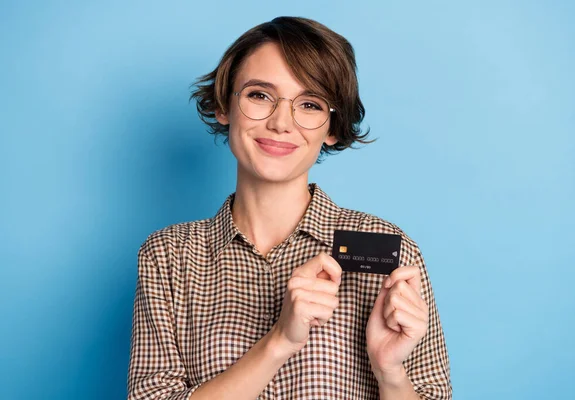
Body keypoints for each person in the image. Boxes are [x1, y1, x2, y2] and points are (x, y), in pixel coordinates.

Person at [127, 16, 451, 400]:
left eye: (310, 104)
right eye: (259, 95)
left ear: (331, 127)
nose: (281, 123)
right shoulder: (168, 256)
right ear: (224, 106)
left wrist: (390, 372)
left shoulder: (389, 249)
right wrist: (280, 340)